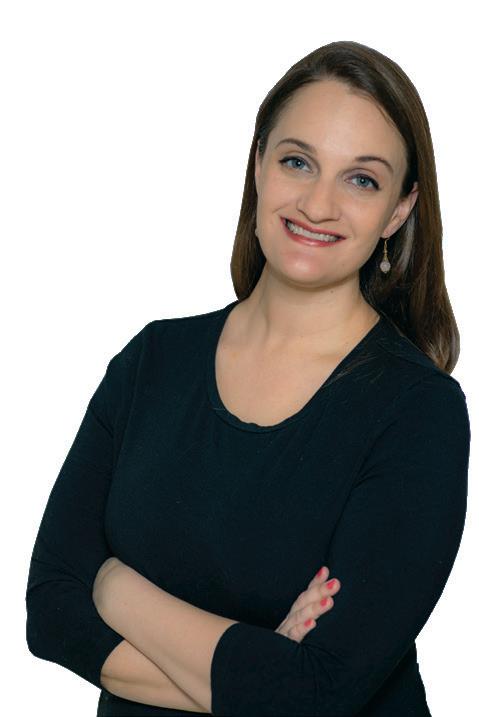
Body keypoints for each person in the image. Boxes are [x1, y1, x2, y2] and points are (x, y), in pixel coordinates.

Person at [25, 40, 470, 716]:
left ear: (398, 211)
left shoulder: (418, 412)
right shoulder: (152, 362)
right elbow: (52, 610)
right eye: (297, 161)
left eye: (361, 180)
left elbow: (316, 690)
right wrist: (258, 673)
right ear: (258, 162)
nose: (318, 204)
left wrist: (114, 586)